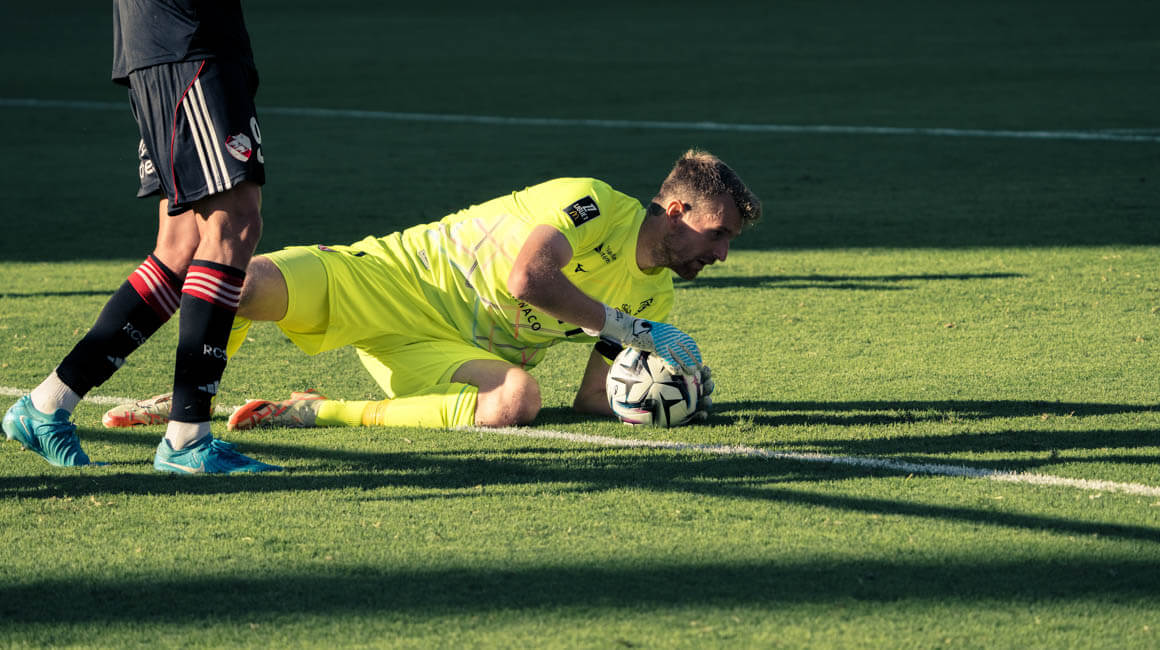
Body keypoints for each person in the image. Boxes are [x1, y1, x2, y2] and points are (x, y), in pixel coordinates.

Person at [103, 150, 761, 433]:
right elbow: (528, 278)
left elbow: (592, 399)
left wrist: (673, 396)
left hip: (446, 355)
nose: (722, 254)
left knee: (517, 401)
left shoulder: (655, 301)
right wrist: (629, 330)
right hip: (390, 280)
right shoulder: (591, 203)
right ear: (677, 212)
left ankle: (314, 411)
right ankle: (188, 398)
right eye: (718, 234)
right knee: (240, 284)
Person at [2, 1, 278, 473]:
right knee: (233, 223)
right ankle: (188, 437)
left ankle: (48, 403)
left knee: (182, 244)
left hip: (175, 42)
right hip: (186, 40)